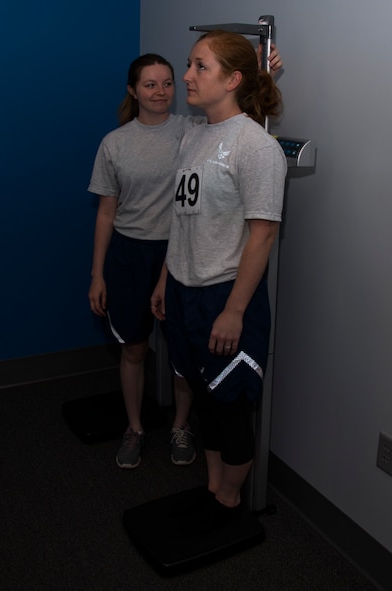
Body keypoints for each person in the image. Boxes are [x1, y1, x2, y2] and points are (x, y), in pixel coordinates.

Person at [88, 46, 283, 470]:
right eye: (150, 84)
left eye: (171, 81)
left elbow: (237, 118)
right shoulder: (123, 143)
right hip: (149, 257)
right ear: (133, 91)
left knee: (195, 371)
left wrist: (259, 66)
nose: (164, 90)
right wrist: (100, 274)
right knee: (141, 350)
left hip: (197, 268)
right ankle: (136, 428)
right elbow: (107, 211)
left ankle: (183, 430)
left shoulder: (192, 129)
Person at [151, 30, 287, 534]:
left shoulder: (255, 146)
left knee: (230, 408)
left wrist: (233, 310)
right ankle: (212, 489)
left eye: (199, 67)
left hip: (226, 298)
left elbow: (263, 235)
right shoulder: (193, 133)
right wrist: (167, 277)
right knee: (206, 400)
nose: (187, 76)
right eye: (190, 64)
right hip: (185, 291)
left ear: (232, 79)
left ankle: (229, 503)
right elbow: (182, 219)